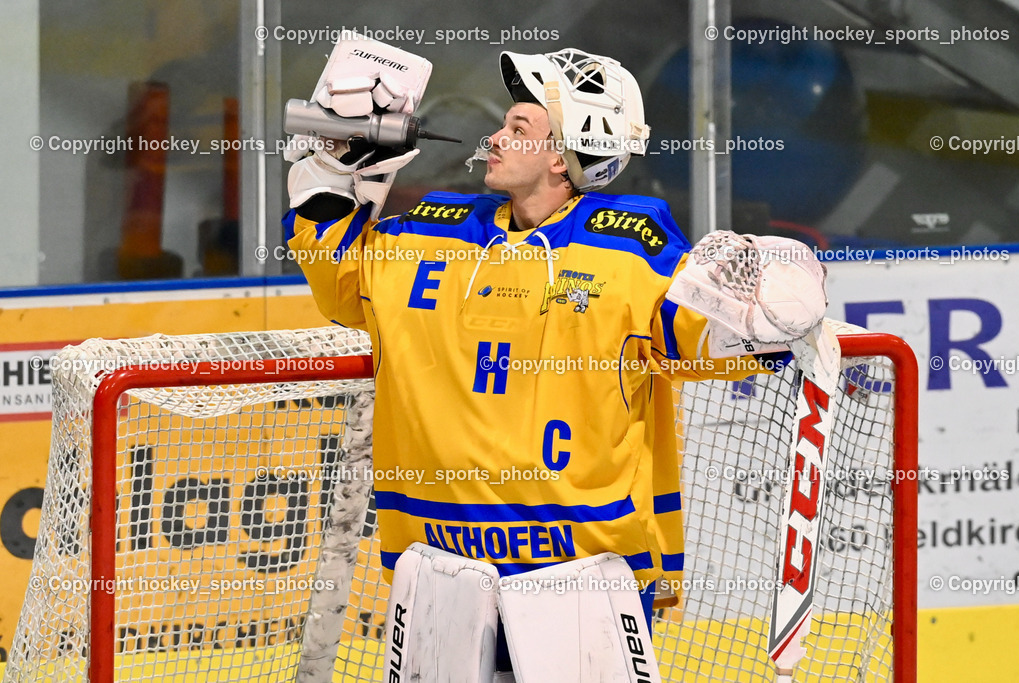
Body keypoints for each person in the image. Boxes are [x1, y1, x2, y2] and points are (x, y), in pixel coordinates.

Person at [284, 38, 824, 681]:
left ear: (564, 159)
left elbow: (716, 341)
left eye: (518, 126)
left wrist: (768, 301)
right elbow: (341, 283)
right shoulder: (428, 231)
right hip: (441, 570)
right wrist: (334, 170)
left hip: (581, 577)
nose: (494, 136)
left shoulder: (629, 250)